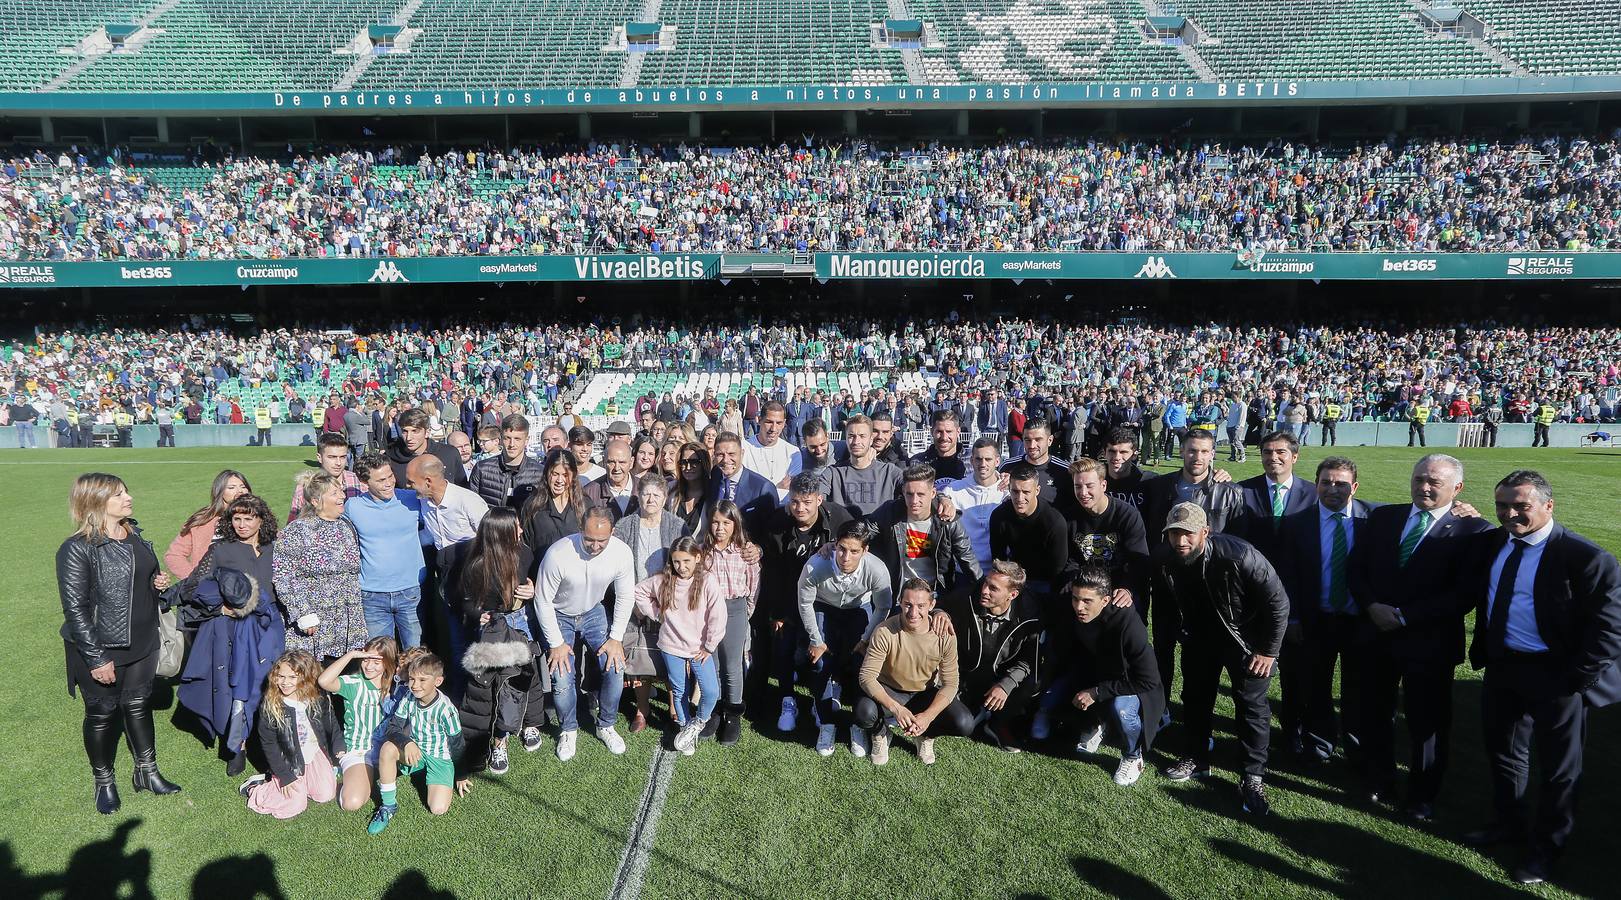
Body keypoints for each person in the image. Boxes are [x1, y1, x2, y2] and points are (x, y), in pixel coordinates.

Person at [1464, 470, 1621, 885]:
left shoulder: (1587, 557)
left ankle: (1546, 848)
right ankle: (1508, 824)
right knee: (1503, 752)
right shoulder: (1495, 541)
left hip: (1558, 676)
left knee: (1559, 768)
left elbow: (1610, 631)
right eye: (1502, 506)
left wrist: (1575, 680)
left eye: (1521, 506)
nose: (1510, 513)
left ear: (1549, 506)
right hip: (1503, 667)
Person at [1349, 454, 1492, 821]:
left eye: (1434, 483)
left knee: (1427, 721)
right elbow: (1356, 568)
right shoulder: (1384, 517)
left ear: (1457, 488)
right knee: (1376, 712)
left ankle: (1422, 794)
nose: (1424, 487)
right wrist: (1371, 606)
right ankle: (1378, 779)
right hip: (1377, 635)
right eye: (1418, 479)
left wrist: (1405, 616)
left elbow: (1465, 594)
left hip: (1429, 643)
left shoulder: (1474, 531)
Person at [1152, 502, 1288, 817]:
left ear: (1205, 532)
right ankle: (1196, 757)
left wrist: (1268, 651)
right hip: (1200, 638)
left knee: (1251, 706)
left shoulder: (1239, 555)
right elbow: (1164, 604)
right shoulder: (1163, 559)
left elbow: (1278, 602)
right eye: (1173, 534)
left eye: (1187, 534)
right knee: (1195, 698)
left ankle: (1252, 775)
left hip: (1247, 641)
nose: (1180, 541)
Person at [58, 473, 181, 813]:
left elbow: (137, 580)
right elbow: (76, 610)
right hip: (102, 648)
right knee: (101, 714)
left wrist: (156, 582)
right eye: (119, 494)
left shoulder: (134, 533)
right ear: (96, 502)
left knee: (139, 706)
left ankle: (147, 772)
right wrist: (97, 658)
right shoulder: (77, 548)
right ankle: (104, 781)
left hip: (143, 641)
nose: (128, 497)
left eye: (127, 491)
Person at [175, 493, 283, 776]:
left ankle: (268, 739)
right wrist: (221, 608)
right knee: (239, 686)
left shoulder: (275, 546)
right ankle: (238, 746)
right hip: (235, 630)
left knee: (272, 681)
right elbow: (192, 587)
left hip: (271, 626)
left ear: (262, 520)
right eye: (237, 519)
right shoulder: (221, 550)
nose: (242, 525)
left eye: (249, 518)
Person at [1276, 457, 1375, 764]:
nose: (1333, 489)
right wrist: (1292, 617)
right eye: (1326, 482)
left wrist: (1460, 508)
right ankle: (1319, 746)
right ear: (1316, 485)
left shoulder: (1375, 518)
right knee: (1315, 684)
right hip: (1315, 618)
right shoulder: (1296, 523)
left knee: (1357, 689)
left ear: (1354, 487)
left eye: (1341, 483)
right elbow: (1287, 574)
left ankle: (1357, 750)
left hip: (1359, 620)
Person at [1234, 430, 1318, 748]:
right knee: (1252, 669)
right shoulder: (1242, 491)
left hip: (1298, 595)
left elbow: (1362, 511)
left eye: (1281, 452)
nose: (1274, 457)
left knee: (1296, 672)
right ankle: (1251, 730)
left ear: (1294, 456)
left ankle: (1293, 729)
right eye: (1268, 452)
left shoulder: (1314, 493)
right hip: (1254, 598)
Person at [534, 507, 637, 760]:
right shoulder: (558, 554)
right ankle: (568, 729)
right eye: (589, 539)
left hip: (593, 611)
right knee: (561, 675)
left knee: (615, 666)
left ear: (612, 532)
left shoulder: (621, 553)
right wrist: (556, 643)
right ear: (581, 530)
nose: (594, 546)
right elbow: (542, 600)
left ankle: (606, 725)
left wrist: (616, 638)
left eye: (601, 540)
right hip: (560, 614)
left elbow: (626, 595)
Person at [452, 508, 547, 775]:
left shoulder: (525, 553)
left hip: (521, 621)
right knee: (497, 683)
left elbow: (534, 584)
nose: (520, 531)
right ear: (500, 534)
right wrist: (478, 615)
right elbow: (465, 601)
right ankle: (499, 740)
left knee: (525, 676)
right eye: (515, 527)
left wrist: (532, 591)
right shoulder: (477, 565)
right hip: (495, 628)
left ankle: (528, 722)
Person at [1054, 568, 1164, 786]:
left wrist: (1097, 692)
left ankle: (1133, 756)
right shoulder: (1071, 611)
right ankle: (1099, 723)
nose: (1079, 607)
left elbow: (1148, 679)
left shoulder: (1128, 623)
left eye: (1087, 601)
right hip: (1095, 673)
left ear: (1105, 600)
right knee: (1051, 698)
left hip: (1132, 685)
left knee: (1121, 710)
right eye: (1075, 598)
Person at [798, 519, 894, 758]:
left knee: (862, 663)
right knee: (820, 663)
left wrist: (866, 638)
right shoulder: (816, 565)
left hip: (858, 611)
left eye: (854, 551)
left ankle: (856, 726)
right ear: (834, 545)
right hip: (824, 606)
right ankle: (826, 722)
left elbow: (883, 607)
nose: (846, 557)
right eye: (841, 549)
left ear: (865, 551)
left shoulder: (877, 569)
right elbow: (805, 602)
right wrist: (815, 639)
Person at [635, 537, 727, 755]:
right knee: (679, 690)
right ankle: (686, 727)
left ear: (697, 557)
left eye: (686, 561)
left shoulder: (707, 581)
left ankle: (698, 723)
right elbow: (638, 592)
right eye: (676, 562)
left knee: (711, 691)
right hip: (671, 646)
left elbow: (718, 616)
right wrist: (657, 614)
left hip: (699, 649)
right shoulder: (663, 581)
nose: (681, 567)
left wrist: (709, 646)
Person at [938, 560, 1042, 752]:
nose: (984, 590)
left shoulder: (1029, 615)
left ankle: (998, 723)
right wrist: (940, 613)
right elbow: (938, 604)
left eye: (993, 588)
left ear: (1012, 595)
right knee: (963, 725)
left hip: (999, 678)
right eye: (986, 583)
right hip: (964, 678)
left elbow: (1029, 659)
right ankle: (976, 710)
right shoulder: (967, 597)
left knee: (1034, 681)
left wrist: (1006, 684)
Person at [854, 580, 960, 766]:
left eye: (921, 606)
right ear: (900, 602)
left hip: (923, 692)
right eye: (908, 605)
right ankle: (880, 733)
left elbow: (951, 683)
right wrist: (896, 708)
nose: (913, 612)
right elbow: (866, 677)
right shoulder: (884, 631)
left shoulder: (945, 634)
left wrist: (928, 716)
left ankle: (925, 735)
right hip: (890, 690)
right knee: (864, 712)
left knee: (963, 722)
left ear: (932, 605)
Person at [612, 473, 685, 733]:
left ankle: (675, 709)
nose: (651, 499)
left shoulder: (677, 525)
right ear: (638, 496)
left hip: (667, 602)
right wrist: (631, 601)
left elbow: (685, 564)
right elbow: (617, 568)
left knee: (672, 657)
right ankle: (642, 710)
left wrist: (668, 600)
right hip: (634, 602)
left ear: (665, 498)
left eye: (657, 495)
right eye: (646, 494)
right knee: (640, 659)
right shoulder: (624, 526)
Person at [368, 653, 469, 834]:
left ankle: (435, 776)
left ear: (438, 681)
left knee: (438, 809)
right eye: (412, 679)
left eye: (422, 680)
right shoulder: (408, 697)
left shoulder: (446, 710)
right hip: (416, 751)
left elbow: (457, 744)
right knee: (387, 749)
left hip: (439, 757)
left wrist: (461, 774)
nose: (415, 685)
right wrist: (407, 742)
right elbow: (393, 728)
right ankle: (388, 806)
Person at [239, 649, 343, 818]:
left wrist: (338, 744)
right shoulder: (271, 705)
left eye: (292, 677)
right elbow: (269, 745)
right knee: (295, 804)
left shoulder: (317, 696)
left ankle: (305, 781)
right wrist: (285, 776)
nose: (285, 682)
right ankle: (256, 789)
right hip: (289, 759)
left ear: (306, 677)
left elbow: (330, 721)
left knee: (325, 794)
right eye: (281, 676)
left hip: (313, 753)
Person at [273, 473, 366, 661]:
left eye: (340, 490)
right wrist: (303, 613)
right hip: (314, 624)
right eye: (334, 493)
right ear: (315, 501)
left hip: (348, 623)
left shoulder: (346, 527)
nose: (342, 496)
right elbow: (283, 576)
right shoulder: (297, 531)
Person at [347, 453, 426, 648]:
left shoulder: (412, 499)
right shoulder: (353, 507)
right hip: (372, 595)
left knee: (414, 653)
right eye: (381, 480)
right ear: (364, 482)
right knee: (379, 656)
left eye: (390, 476)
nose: (389, 483)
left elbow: (434, 530)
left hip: (411, 591)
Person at [699, 500, 761, 745]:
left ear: (735, 524)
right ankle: (713, 711)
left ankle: (732, 715)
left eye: (726, 522)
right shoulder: (703, 551)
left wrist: (746, 610)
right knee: (711, 662)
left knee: (732, 665)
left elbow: (754, 584)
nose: (720, 528)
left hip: (735, 609)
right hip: (708, 612)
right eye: (715, 522)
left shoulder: (744, 551)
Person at [871, 464, 981, 599]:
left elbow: (967, 559)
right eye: (909, 494)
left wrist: (982, 588)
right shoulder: (891, 511)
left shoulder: (947, 521)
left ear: (933, 493)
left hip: (935, 593)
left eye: (921, 494)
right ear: (903, 492)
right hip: (898, 593)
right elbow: (864, 531)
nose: (914, 501)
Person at [316, 637, 398, 813]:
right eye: (366, 659)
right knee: (351, 803)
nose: (369, 666)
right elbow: (324, 681)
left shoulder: (395, 686)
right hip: (359, 752)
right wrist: (351, 655)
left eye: (376, 661)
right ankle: (340, 773)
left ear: (388, 663)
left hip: (386, 752)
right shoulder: (354, 683)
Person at [1063, 458, 1150, 613]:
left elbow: (1139, 560)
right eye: (1078, 486)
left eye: (1090, 486)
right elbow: (1068, 559)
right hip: (1085, 588)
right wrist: (1072, 580)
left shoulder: (1127, 515)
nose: (1083, 493)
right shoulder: (1069, 518)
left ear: (1103, 485)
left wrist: (1127, 588)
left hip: (1119, 585)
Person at [988, 465, 1068, 625]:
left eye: (1026, 492)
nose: (1020, 498)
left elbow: (1058, 566)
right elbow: (998, 557)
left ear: (1037, 490)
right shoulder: (999, 515)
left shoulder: (1053, 521)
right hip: (1014, 576)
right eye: (1015, 491)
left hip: (1045, 580)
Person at [1142, 429, 1243, 543]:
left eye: (1204, 451)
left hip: (1211, 558)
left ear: (1212, 454)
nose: (1198, 458)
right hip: (1167, 558)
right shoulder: (1160, 486)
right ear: (1181, 451)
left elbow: (1238, 540)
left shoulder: (1230, 492)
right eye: (1192, 451)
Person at [166, 469, 251, 578]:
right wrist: (194, 580)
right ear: (219, 491)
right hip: (211, 589)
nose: (240, 491)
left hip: (250, 586)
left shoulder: (259, 517)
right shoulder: (203, 520)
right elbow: (174, 555)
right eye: (231, 488)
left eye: (243, 487)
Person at [940, 437, 1007, 570]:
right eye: (978, 459)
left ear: (997, 461)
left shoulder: (1008, 491)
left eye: (988, 459)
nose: (983, 464)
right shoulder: (954, 490)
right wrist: (941, 497)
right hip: (963, 569)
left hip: (999, 570)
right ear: (971, 460)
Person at [826, 415, 902, 520]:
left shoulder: (890, 472)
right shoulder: (833, 473)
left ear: (871, 440)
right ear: (846, 439)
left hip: (879, 534)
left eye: (862, 436)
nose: (856, 441)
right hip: (844, 533)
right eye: (851, 436)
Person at [468, 414, 545, 511]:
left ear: (526, 441)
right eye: (507, 438)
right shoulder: (482, 469)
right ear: (500, 439)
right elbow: (471, 508)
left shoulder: (540, 473)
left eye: (517, 439)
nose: (512, 444)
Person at [521, 447, 583, 560]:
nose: (560, 480)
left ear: (573, 475)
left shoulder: (584, 505)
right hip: (541, 573)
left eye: (565, 475)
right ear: (547, 473)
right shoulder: (533, 506)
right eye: (555, 474)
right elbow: (525, 546)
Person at [387, 408, 468, 489]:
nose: (409, 438)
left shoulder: (449, 454)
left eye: (415, 431)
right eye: (405, 431)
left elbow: (463, 489)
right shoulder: (390, 459)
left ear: (427, 433)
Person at [289, 433, 362, 523]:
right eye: (332, 457)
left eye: (343, 457)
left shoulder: (358, 481)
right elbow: (293, 522)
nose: (338, 463)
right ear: (319, 458)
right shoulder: (306, 485)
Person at [1000, 418, 1070, 511]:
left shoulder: (1064, 470)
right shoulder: (1008, 467)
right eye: (1027, 440)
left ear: (1050, 440)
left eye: (1038, 440)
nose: (1032, 445)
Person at [743, 401, 797, 496]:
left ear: (784, 423)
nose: (773, 428)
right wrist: (776, 489)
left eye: (779, 423)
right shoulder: (743, 448)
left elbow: (791, 492)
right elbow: (743, 491)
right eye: (769, 422)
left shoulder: (793, 452)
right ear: (759, 420)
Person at [584, 439, 639, 522]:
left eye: (622, 462)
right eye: (611, 462)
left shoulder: (644, 488)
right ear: (604, 462)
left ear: (631, 462)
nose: (616, 468)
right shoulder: (590, 492)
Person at [1103, 426, 1156, 513]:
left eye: (1123, 452)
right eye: (1112, 451)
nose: (1117, 457)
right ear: (1104, 453)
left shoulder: (1149, 482)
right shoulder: (1094, 480)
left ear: (1134, 455)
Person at [909, 410, 967, 481]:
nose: (944, 437)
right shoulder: (918, 462)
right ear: (932, 432)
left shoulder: (972, 461)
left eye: (949, 432)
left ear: (958, 432)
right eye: (939, 432)